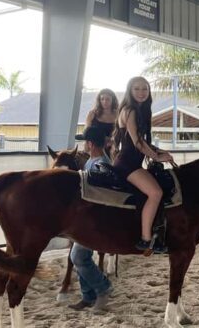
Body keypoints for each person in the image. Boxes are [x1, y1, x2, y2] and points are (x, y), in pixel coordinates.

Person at [112, 77, 173, 254]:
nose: (141, 92)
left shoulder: (142, 111)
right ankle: (146, 239)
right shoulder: (130, 111)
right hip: (127, 164)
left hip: (133, 162)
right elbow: (137, 142)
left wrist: (161, 152)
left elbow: (144, 142)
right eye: (137, 89)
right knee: (156, 193)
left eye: (144, 89)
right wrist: (156, 157)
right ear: (130, 91)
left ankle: (158, 234)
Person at [69, 126, 113, 311]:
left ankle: (103, 289)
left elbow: (101, 195)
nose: (83, 145)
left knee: (79, 256)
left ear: (90, 143)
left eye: (85, 141)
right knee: (78, 256)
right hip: (88, 220)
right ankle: (88, 296)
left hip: (96, 222)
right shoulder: (92, 162)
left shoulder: (100, 164)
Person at [85, 89, 118, 154]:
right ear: (99, 101)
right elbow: (87, 132)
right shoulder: (92, 114)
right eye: (102, 99)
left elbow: (120, 133)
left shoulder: (118, 114)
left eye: (107, 99)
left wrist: (113, 141)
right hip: (95, 148)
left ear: (113, 100)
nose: (104, 101)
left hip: (111, 148)